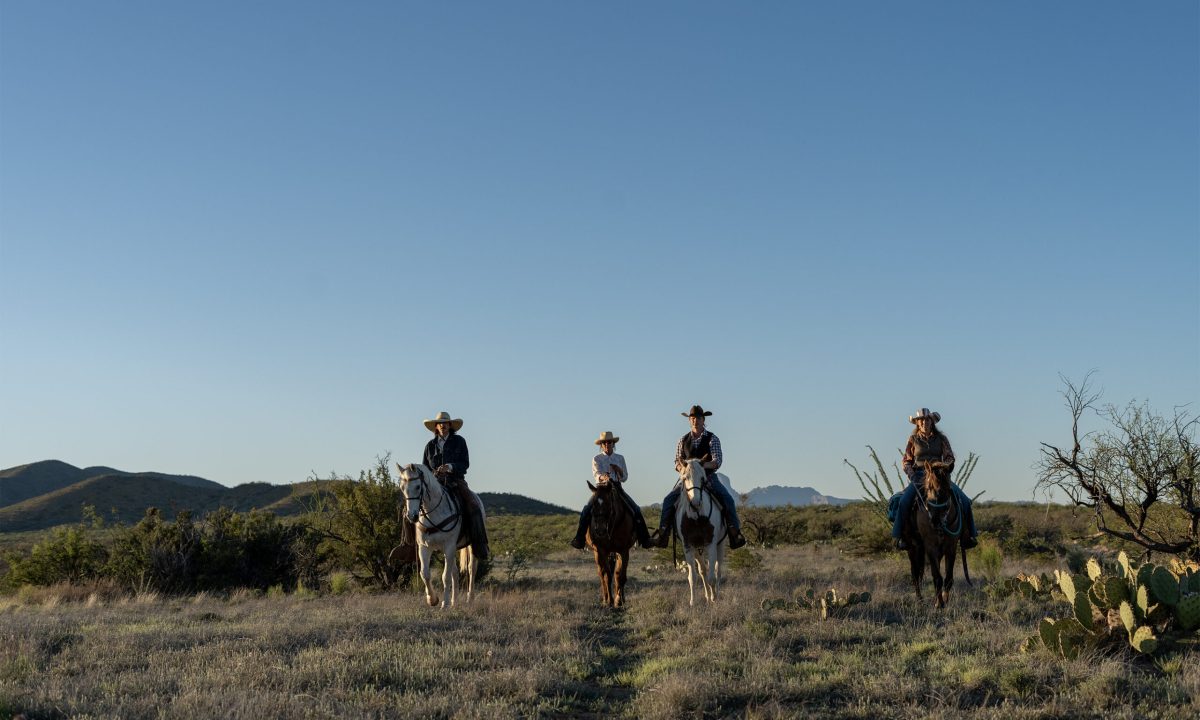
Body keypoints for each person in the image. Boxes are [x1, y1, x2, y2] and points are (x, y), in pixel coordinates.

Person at [649, 405, 746, 549]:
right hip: (687, 478)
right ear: (689, 420)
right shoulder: (683, 440)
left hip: (708, 477)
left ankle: (734, 532)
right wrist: (684, 468)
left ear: (703, 420)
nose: (695, 421)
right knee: (668, 500)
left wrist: (700, 466)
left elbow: (717, 461)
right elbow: (677, 461)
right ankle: (663, 534)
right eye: (692, 418)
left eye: (698, 418)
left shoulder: (712, 439)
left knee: (727, 499)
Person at [892, 408, 978, 550]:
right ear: (917, 423)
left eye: (927, 420)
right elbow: (906, 460)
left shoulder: (942, 439)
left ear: (932, 422)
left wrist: (943, 467)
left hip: (939, 475)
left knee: (964, 500)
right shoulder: (913, 440)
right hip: (919, 475)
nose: (924, 422)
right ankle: (901, 537)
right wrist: (911, 474)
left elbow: (950, 457)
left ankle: (969, 536)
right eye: (921, 420)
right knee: (904, 501)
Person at [422, 411, 490, 560]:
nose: (443, 426)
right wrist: (431, 476)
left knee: (474, 506)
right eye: (440, 423)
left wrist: (450, 467)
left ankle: (480, 545)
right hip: (434, 484)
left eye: (445, 423)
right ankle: (408, 546)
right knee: (411, 508)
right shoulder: (429, 446)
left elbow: (465, 464)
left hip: (455, 481)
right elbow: (425, 467)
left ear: (450, 425)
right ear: (436, 426)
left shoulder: (459, 441)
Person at [570, 431, 654, 550]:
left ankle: (645, 539)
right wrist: (604, 477)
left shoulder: (620, 458)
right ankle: (579, 539)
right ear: (601, 445)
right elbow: (596, 474)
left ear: (613, 443)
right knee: (586, 510)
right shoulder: (597, 459)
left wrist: (619, 470)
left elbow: (624, 477)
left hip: (617, 488)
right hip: (601, 489)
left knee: (635, 509)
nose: (606, 444)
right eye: (604, 442)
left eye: (609, 442)